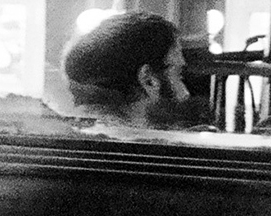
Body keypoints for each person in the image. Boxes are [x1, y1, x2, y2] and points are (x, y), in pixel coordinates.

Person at [61, 11, 209, 130]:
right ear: (148, 80)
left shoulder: (56, 143)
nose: (185, 94)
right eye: (178, 75)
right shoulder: (168, 154)